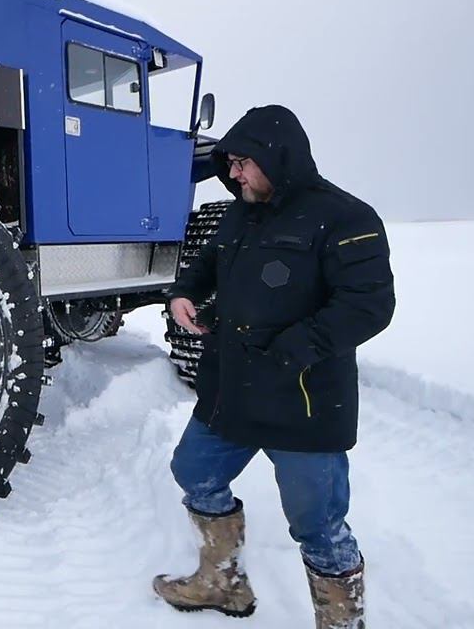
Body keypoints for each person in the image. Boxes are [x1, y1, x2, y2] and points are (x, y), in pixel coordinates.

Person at [154, 105, 395, 628]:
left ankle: (341, 622)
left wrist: (292, 350)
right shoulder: (238, 211)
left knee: (318, 525)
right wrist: (183, 295)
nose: (234, 173)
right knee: (194, 472)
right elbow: (203, 266)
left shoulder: (346, 217)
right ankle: (222, 582)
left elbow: (368, 306)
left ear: (277, 157)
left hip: (302, 399)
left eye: (244, 162)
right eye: (231, 163)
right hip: (231, 389)